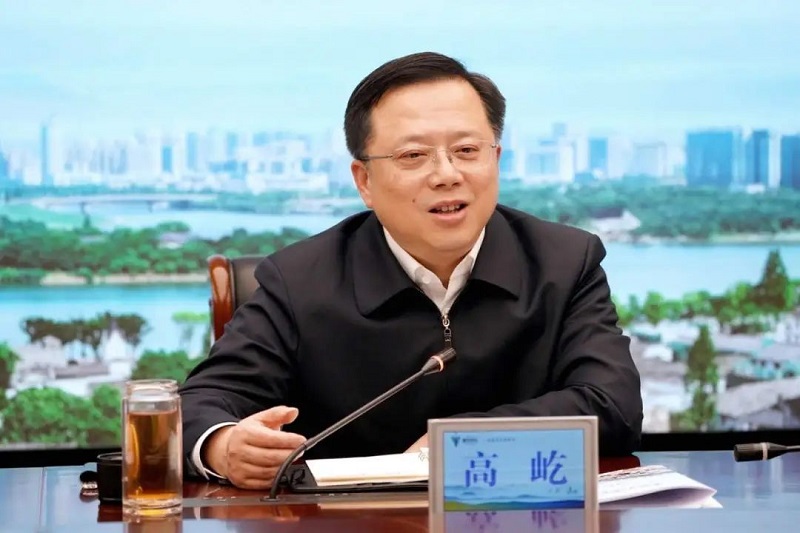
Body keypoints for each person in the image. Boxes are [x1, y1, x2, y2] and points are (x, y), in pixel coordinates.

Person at [179, 51, 643, 490]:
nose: (447, 174)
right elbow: (199, 404)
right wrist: (224, 446)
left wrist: (461, 443)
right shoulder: (300, 281)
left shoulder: (564, 262)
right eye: (413, 156)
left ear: (496, 159)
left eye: (467, 150)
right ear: (364, 180)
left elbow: (613, 406)